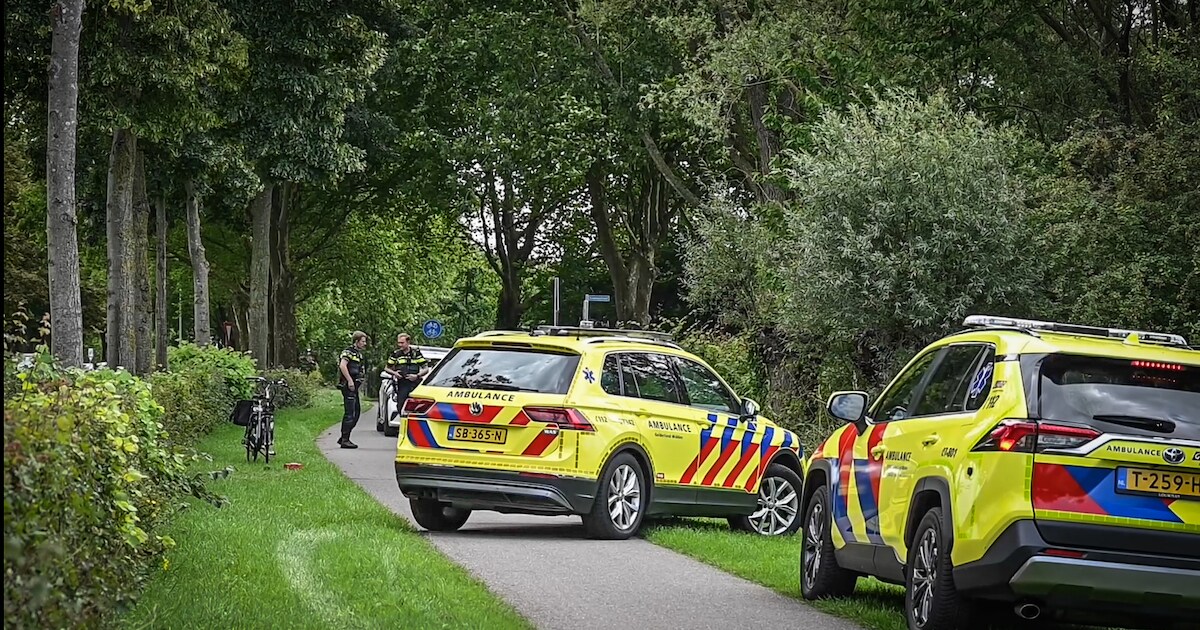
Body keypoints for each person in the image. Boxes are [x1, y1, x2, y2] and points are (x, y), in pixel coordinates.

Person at [383, 333, 430, 424]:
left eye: (402, 343)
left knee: (415, 407)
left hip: (414, 384)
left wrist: (417, 376)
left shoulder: (416, 353)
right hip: (402, 384)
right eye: (398, 343)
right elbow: (387, 368)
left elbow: (426, 369)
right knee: (401, 405)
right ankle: (403, 423)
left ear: (408, 342)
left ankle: (413, 425)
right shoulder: (396, 354)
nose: (400, 345)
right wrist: (395, 373)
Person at [337, 331, 369, 449]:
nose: (364, 344)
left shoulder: (358, 354)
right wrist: (350, 380)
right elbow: (342, 366)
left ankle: (344, 437)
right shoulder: (348, 352)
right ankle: (345, 439)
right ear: (356, 341)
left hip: (355, 386)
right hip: (348, 386)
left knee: (356, 413)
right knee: (350, 413)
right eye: (363, 341)